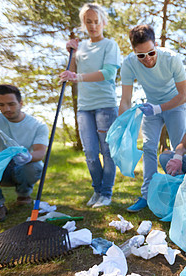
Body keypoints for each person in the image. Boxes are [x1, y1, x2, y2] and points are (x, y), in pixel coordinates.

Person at [119, 24, 186, 212]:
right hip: (151, 108)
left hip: (174, 105)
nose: (147, 59)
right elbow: (125, 100)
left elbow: (184, 96)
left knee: (178, 150)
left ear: (156, 45)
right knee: (149, 147)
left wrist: (159, 108)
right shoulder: (129, 63)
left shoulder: (172, 59)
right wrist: (121, 127)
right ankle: (147, 195)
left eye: (151, 53)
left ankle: (181, 195)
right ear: (134, 52)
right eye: (141, 55)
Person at [59, 3, 121, 208]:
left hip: (105, 104)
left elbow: (109, 73)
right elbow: (72, 72)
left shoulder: (109, 45)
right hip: (84, 106)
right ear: (83, 24)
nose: (93, 25)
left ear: (103, 22)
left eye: (96, 21)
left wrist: (77, 76)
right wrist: (70, 52)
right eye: (89, 22)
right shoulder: (81, 46)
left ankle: (106, 193)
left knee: (107, 151)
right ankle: (97, 191)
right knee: (91, 153)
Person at [0, 85, 48, 223]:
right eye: (1, 105)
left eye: (11, 104)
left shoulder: (38, 125)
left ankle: (24, 194)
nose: (6, 109)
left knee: (34, 166)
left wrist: (28, 157)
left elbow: (40, 152)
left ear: (21, 103)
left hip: (23, 168)